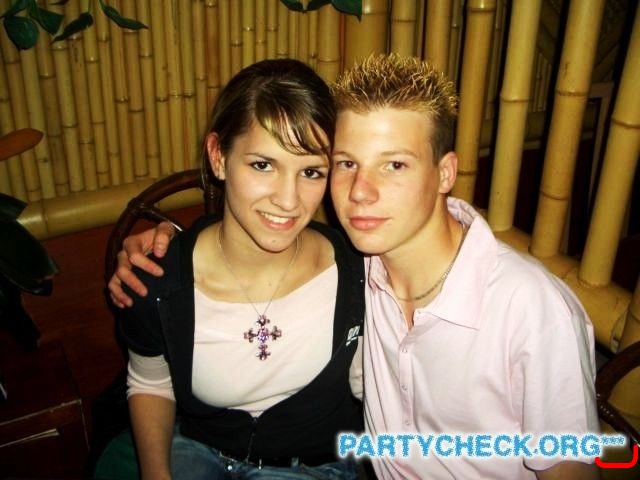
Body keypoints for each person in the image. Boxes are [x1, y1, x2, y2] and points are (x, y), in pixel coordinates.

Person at [109, 54, 599, 480]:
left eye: (395, 165)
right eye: (346, 164)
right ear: (219, 157)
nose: (361, 192)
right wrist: (165, 242)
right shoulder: (369, 267)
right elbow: (152, 370)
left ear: (445, 172)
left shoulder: (527, 308)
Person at [111, 58, 366, 480]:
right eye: (263, 165)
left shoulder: (360, 270)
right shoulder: (158, 278)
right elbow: (151, 382)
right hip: (197, 451)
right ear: (219, 156)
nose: (288, 200)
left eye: (310, 171)